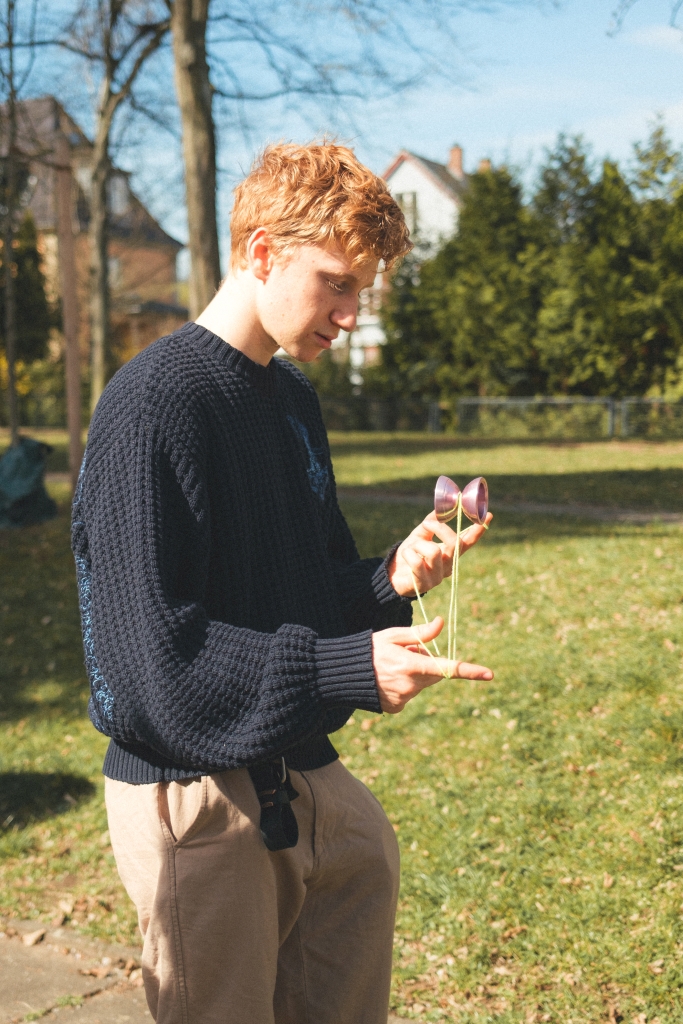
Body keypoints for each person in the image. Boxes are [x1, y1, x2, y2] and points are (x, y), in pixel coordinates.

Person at [71, 141, 493, 1024]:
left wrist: (388, 577)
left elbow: (305, 592)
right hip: (192, 785)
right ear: (261, 252)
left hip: (296, 758)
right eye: (337, 282)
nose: (349, 313)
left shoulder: (292, 399)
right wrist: (348, 671)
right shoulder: (154, 405)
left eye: (362, 291)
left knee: (366, 865)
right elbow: (155, 666)